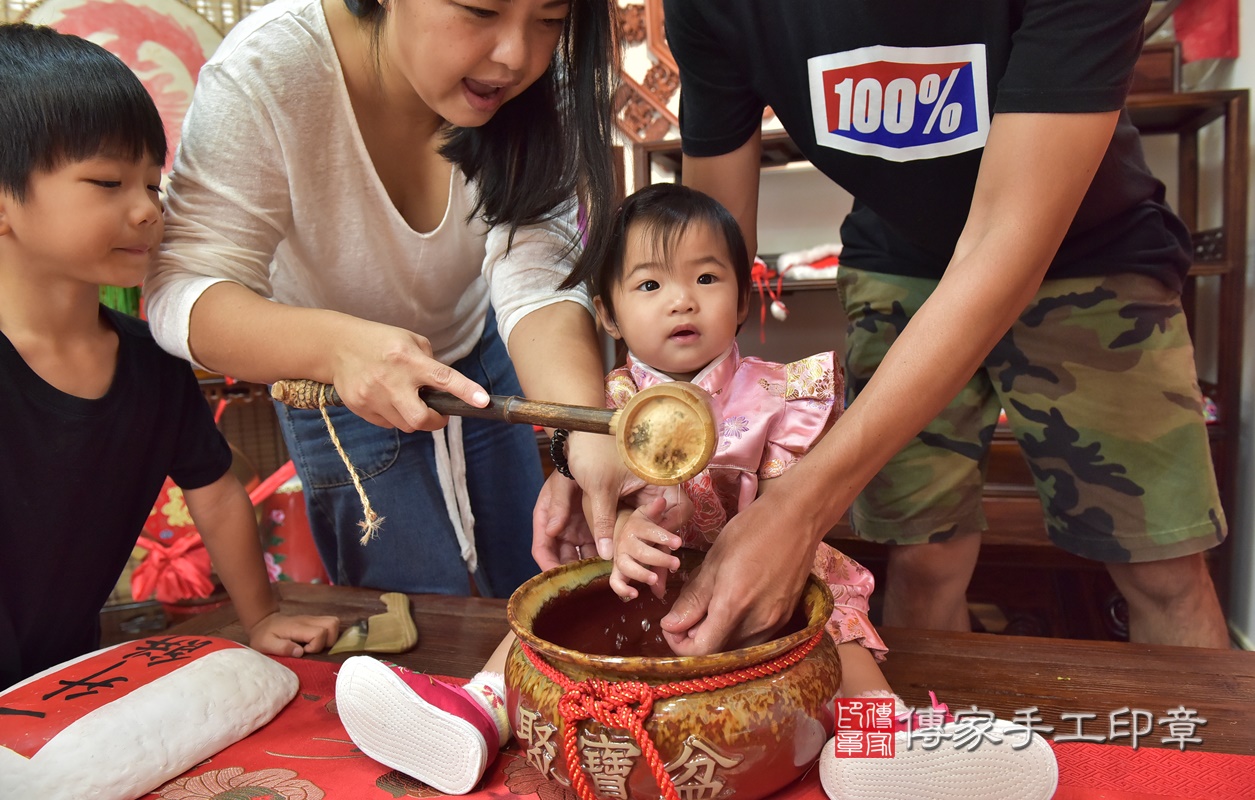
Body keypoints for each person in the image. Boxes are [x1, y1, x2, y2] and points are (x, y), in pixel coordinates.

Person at [539, 0, 1230, 655]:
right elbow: (710, 243)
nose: (680, 300)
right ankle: (923, 757)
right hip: (896, 255)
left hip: (1090, 254)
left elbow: (1003, 240)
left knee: (1161, 568)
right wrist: (615, 444)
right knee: (923, 558)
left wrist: (800, 509)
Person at [331, 185, 1058, 799]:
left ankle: (879, 731)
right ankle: (478, 708)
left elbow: (789, 506)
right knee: (551, 602)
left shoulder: (781, 395)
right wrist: (620, 525)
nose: (681, 299)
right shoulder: (600, 404)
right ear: (609, 315)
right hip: (640, 577)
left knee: (827, 607)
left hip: (764, 572)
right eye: (649, 284)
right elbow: (589, 495)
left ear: (742, 296)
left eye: (706, 279)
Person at [144, 0, 625, 597]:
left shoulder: (540, 85)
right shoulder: (269, 70)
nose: (516, 57)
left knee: (534, 585)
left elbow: (537, 281)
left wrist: (577, 430)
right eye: (480, 10)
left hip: (482, 349)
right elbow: (181, 286)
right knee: (412, 610)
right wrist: (338, 349)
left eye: (550, 20)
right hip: (327, 371)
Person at [0, 23, 340, 690]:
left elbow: (214, 493)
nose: (147, 212)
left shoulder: (152, 363)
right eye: (106, 183)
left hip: (64, 681)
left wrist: (260, 617)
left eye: (152, 185)